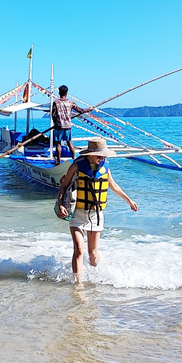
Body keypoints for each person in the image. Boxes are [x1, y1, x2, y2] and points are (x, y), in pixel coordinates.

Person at [55, 137, 137, 284]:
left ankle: (96, 280)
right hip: (78, 213)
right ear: (90, 154)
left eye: (104, 155)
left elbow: (113, 186)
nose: (102, 157)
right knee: (79, 249)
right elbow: (63, 186)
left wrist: (129, 200)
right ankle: (78, 284)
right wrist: (60, 204)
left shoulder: (105, 166)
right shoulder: (77, 166)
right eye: (100, 155)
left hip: (96, 215)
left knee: (93, 254)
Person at [50, 85, 85, 166]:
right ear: (66, 93)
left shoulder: (56, 102)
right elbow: (80, 110)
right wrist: (88, 110)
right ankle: (74, 159)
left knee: (58, 143)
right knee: (69, 143)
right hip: (67, 126)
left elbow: (53, 115)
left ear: (59, 92)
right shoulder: (70, 102)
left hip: (59, 126)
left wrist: (55, 123)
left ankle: (58, 161)